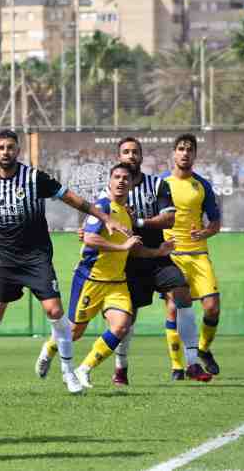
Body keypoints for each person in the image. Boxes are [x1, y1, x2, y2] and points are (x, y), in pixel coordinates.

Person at [0, 130, 129, 396]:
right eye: (1, 148)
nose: (6, 152)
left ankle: (68, 372)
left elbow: (70, 197)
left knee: (54, 311)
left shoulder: (34, 177)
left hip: (36, 255)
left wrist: (103, 216)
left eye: (10, 147)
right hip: (5, 257)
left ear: (19, 151)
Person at [61, 164, 176, 388]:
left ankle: (84, 369)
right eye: (117, 177)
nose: (122, 181)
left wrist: (157, 252)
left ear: (133, 184)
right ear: (109, 182)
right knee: (74, 332)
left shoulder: (127, 214)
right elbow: (90, 239)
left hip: (116, 282)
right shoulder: (102, 207)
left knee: (122, 326)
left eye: (126, 178)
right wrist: (122, 247)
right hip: (92, 279)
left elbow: (133, 248)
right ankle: (49, 349)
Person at [108, 138, 211, 383]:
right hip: (128, 261)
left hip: (157, 256)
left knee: (183, 293)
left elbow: (169, 219)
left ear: (142, 157)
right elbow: (99, 218)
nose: (131, 156)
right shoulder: (111, 189)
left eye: (135, 152)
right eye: (126, 152)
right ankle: (121, 369)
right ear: (119, 156)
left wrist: (139, 223)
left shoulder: (157, 185)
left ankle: (192, 364)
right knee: (127, 316)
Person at [161, 133, 223, 376]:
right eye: (180, 148)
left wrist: (205, 232)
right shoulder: (160, 184)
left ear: (195, 154)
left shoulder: (202, 185)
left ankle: (204, 349)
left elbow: (215, 223)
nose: (185, 153)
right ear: (174, 153)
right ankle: (177, 366)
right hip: (172, 256)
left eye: (189, 149)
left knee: (212, 307)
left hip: (198, 255)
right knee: (173, 309)